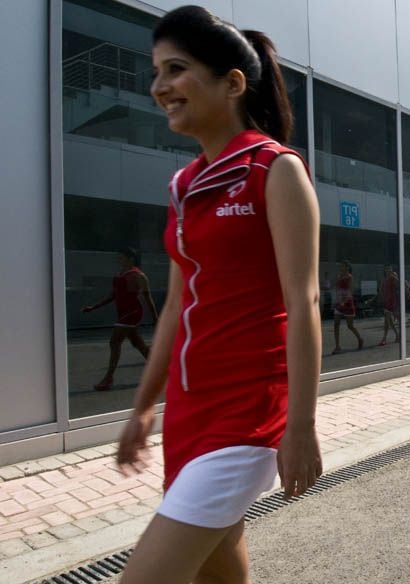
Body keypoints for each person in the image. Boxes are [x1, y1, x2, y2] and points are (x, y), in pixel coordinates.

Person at [114, 7, 322, 583]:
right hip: (190, 409)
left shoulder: (274, 170)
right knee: (217, 575)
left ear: (232, 83)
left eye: (176, 69)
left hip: (246, 413)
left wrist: (300, 426)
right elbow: (179, 307)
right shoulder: (184, 186)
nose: (159, 88)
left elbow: (303, 301)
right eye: (155, 72)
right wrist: (143, 406)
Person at [82, 248, 158, 391]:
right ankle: (162, 370)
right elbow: (113, 295)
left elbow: (148, 299)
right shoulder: (121, 274)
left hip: (132, 313)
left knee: (114, 341)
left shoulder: (139, 276)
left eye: (122, 258)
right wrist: (94, 307)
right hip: (123, 313)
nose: (119, 260)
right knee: (138, 344)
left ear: (131, 259)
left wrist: (156, 318)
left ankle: (108, 378)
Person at [332, 260, 363, 353]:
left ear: (347, 267)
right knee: (336, 324)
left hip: (347, 303)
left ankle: (360, 339)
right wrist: (336, 300)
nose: (342, 268)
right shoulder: (339, 276)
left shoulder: (349, 277)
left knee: (350, 326)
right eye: (341, 266)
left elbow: (350, 291)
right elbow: (336, 288)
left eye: (343, 266)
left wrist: (344, 301)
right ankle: (337, 346)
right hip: (339, 303)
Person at [378, 265, 399, 346]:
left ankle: (385, 338)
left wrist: (395, 277)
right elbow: (381, 289)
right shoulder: (384, 279)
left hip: (392, 301)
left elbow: (398, 285)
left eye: (389, 269)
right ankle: (396, 335)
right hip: (386, 301)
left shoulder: (392, 278)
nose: (388, 270)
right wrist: (381, 297)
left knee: (388, 320)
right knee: (387, 321)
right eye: (387, 269)